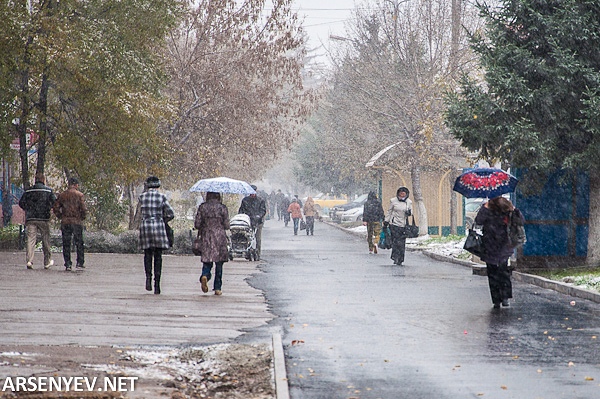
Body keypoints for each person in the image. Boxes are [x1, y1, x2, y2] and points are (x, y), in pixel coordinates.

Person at [475, 196, 524, 309]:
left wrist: (514, 209)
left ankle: (502, 298)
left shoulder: (506, 208)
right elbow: (479, 221)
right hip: (491, 245)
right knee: (496, 272)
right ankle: (498, 299)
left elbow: (520, 221)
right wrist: (485, 207)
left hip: (502, 244)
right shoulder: (488, 209)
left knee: (500, 272)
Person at [135, 176, 175, 294]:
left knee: (147, 254)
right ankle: (157, 284)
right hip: (158, 226)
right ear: (158, 185)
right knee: (158, 255)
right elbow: (171, 213)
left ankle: (148, 278)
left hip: (146, 226)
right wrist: (163, 219)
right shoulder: (162, 197)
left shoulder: (142, 197)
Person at [18, 173, 56, 270]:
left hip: (31, 218)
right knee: (46, 239)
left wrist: (28, 209)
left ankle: (29, 261)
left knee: (31, 240)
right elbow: (54, 202)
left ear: (35, 180)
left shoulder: (29, 191)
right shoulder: (48, 190)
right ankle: (47, 261)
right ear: (43, 180)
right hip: (44, 218)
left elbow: (21, 203)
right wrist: (48, 208)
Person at [195, 192, 230, 296]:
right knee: (219, 263)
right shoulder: (222, 208)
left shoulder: (203, 207)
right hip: (219, 237)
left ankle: (205, 275)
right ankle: (217, 288)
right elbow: (227, 225)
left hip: (207, 236)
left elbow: (197, 224)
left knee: (207, 261)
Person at [53, 177, 87, 271]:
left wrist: (61, 216)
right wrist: (82, 217)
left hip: (66, 222)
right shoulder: (79, 195)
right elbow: (83, 209)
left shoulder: (62, 195)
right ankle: (80, 262)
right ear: (76, 185)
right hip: (77, 222)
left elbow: (55, 207)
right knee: (79, 242)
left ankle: (68, 263)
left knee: (66, 243)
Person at [384, 187, 413, 265]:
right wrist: (386, 221)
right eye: (401, 193)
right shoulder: (393, 201)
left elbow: (411, 212)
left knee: (402, 243)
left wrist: (409, 213)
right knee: (395, 242)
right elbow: (389, 211)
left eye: (404, 194)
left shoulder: (409, 202)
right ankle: (395, 257)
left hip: (403, 225)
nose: (402, 195)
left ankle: (401, 258)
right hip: (394, 224)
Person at [238, 185, 266, 260]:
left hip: (258, 222)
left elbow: (263, 211)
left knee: (258, 238)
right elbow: (241, 210)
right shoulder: (245, 200)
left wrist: (258, 216)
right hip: (248, 222)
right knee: (247, 237)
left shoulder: (260, 200)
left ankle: (258, 253)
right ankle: (248, 251)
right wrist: (242, 217)